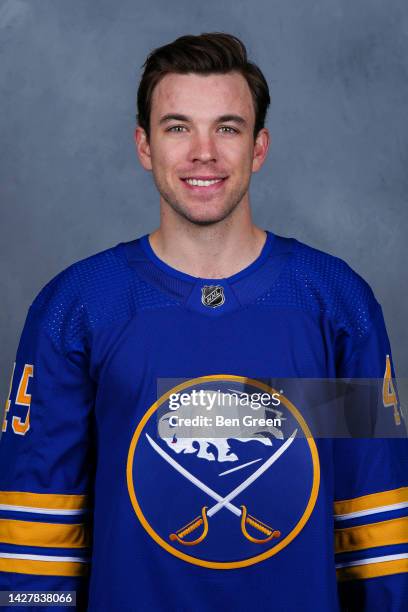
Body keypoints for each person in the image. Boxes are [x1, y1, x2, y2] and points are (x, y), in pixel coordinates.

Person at [0, 32, 407, 611]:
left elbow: (375, 514)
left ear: (258, 147)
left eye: (227, 127)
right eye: (177, 127)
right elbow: (37, 525)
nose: (203, 153)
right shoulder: (79, 305)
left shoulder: (336, 303)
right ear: (144, 145)